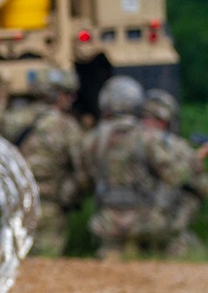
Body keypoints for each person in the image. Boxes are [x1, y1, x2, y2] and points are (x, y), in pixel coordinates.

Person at [81, 76, 191, 259]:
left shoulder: (92, 140)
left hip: (107, 223)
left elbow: (84, 179)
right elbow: (175, 176)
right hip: (146, 222)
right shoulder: (149, 138)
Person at [0, 68, 87, 256]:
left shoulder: (15, 118)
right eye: (68, 94)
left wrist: (0, 99)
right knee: (47, 263)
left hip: (18, 201)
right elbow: (82, 169)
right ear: (56, 94)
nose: (71, 99)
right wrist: (70, 194)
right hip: (50, 205)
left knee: (16, 260)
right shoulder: (67, 126)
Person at [140, 88, 208, 256]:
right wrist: (198, 157)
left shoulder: (122, 139)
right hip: (161, 222)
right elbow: (203, 187)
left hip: (116, 222)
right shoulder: (175, 146)